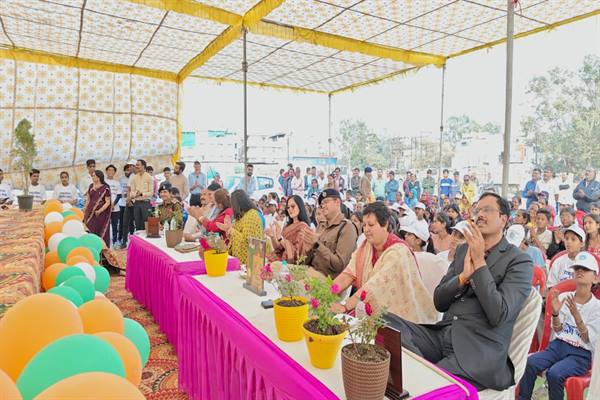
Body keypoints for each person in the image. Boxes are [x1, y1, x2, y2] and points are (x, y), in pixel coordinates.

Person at [383, 192, 534, 391]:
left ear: (503, 219)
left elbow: (498, 314)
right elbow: (439, 301)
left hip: (478, 350)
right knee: (384, 322)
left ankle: (426, 376)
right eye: (478, 210)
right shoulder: (463, 251)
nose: (480, 215)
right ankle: (424, 371)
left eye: (487, 210)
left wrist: (479, 263)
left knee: (429, 383)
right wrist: (462, 278)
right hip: (443, 335)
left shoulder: (519, 261)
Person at [330, 202, 437, 322]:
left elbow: (374, 287)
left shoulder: (398, 251)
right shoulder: (367, 246)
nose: (366, 230)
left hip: (400, 317)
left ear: (385, 224)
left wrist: (345, 306)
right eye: (364, 225)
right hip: (369, 310)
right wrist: (327, 292)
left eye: (371, 225)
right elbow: (348, 274)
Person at [519, 252, 600, 400]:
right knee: (529, 363)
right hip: (558, 346)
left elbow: (587, 339)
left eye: (585, 269)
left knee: (555, 374)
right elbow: (558, 330)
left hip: (581, 354)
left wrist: (577, 317)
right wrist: (555, 314)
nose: (580, 271)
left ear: (595, 278)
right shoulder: (564, 297)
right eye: (577, 268)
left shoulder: (597, 307)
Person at [301, 189, 358, 279]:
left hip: (327, 280)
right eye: (321, 204)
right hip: (311, 273)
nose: (323, 206)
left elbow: (339, 265)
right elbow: (307, 262)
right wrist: (308, 250)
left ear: (337, 202)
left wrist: (317, 245)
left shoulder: (347, 227)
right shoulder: (321, 226)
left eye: (326, 202)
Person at [215, 189, 263, 266]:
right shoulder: (243, 216)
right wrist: (229, 231)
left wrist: (231, 231)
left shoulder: (251, 215)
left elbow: (248, 241)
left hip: (251, 263)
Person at [266, 195, 311, 264]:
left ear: (300, 207)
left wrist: (280, 238)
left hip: (290, 264)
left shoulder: (303, 227)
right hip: (279, 260)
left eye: (293, 206)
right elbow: (279, 248)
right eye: (288, 207)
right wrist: (272, 237)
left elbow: (297, 253)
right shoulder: (287, 225)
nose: (290, 209)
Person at [83, 170, 112, 246]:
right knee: (89, 229)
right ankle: (90, 246)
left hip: (100, 215)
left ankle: (100, 248)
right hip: (90, 213)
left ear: (98, 177)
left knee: (98, 230)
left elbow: (107, 202)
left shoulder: (105, 188)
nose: (92, 177)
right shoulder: (91, 186)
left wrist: (99, 210)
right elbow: (88, 199)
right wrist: (84, 208)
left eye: (93, 176)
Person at [129, 159, 153, 232]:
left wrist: (142, 194)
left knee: (146, 223)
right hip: (136, 203)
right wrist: (134, 195)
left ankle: (145, 238)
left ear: (143, 166)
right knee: (137, 223)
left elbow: (151, 192)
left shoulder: (149, 177)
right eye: (136, 165)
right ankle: (138, 238)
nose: (136, 166)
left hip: (146, 203)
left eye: (138, 165)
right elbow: (132, 191)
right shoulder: (134, 177)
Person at [104, 165, 122, 247]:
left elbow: (119, 195)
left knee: (115, 226)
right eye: (109, 170)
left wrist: (113, 204)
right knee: (105, 226)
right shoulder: (103, 182)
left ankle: (115, 242)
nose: (110, 172)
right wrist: (107, 205)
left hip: (115, 208)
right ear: (106, 171)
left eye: (112, 170)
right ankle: (105, 242)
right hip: (105, 208)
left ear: (114, 172)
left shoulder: (117, 183)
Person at [118, 164, 135, 248]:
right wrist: (128, 199)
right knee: (123, 222)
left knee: (132, 223)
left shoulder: (135, 176)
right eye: (127, 169)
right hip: (123, 203)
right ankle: (122, 240)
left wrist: (129, 199)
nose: (129, 170)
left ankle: (132, 240)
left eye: (131, 167)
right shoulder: (122, 179)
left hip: (133, 202)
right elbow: (127, 189)